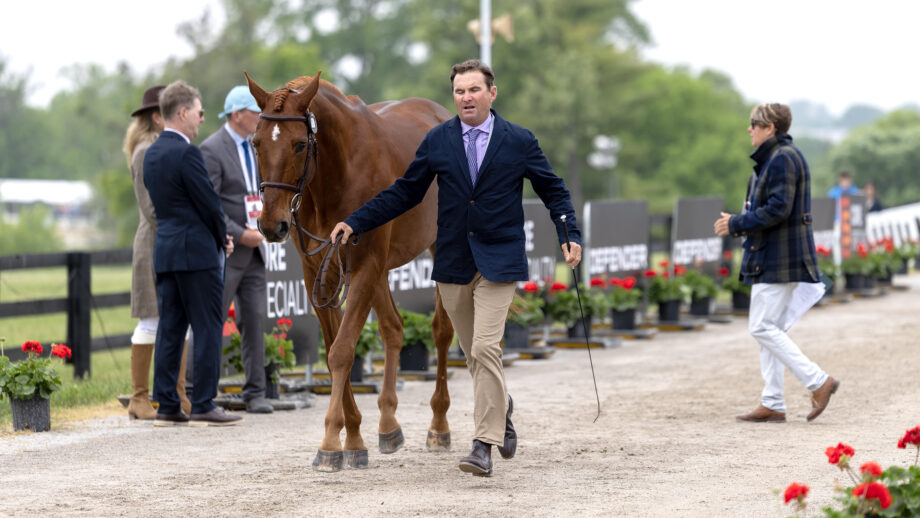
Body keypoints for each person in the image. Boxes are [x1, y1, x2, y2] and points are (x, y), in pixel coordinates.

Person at [330, 59, 582, 476]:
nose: (466, 97)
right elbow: (404, 193)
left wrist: (568, 231)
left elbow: (553, 189)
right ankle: (504, 405)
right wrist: (357, 220)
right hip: (452, 262)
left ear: (492, 93)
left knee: (485, 348)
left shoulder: (519, 140)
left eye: (474, 90)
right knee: (474, 355)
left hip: (499, 260)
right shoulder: (438, 140)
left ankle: (483, 444)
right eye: (460, 91)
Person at [713, 102, 839, 424]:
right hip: (774, 254)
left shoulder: (782, 158)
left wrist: (738, 223)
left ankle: (818, 381)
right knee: (770, 327)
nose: (749, 129)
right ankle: (772, 401)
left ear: (770, 127)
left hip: (779, 256)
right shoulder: (777, 157)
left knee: (762, 327)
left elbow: (778, 209)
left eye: (754, 123)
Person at [143, 80, 242, 427]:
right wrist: (224, 236)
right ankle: (203, 402)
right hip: (197, 253)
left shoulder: (152, 153)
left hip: (167, 251)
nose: (202, 120)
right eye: (199, 113)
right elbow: (208, 203)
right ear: (183, 112)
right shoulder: (188, 153)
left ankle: (167, 405)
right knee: (207, 325)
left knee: (170, 328)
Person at [200, 86, 272, 414]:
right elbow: (209, 203)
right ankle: (199, 391)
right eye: (255, 111)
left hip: (256, 252)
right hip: (228, 249)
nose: (261, 117)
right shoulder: (212, 149)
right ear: (237, 114)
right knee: (213, 320)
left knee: (255, 320)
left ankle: (255, 393)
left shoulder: (258, 145)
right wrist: (239, 233)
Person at [122, 85, 192, 420]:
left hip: (167, 237)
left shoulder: (160, 148)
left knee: (176, 317)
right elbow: (150, 208)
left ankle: (177, 393)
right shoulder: (144, 152)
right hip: (154, 241)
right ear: (156, 116)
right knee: (152, 318)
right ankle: (138, 397)